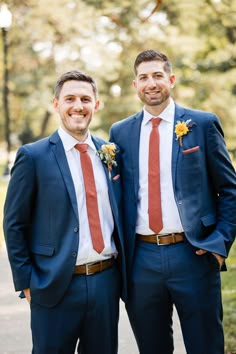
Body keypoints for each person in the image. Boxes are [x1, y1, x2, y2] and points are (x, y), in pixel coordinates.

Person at [109, 49, 236, 354]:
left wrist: (218, 244)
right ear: (135, 85)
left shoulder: (202, 124)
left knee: (205, 345)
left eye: (157, 75)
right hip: (141, 259)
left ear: (171, 79)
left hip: (192, 254)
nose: (151, 83)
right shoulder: (120, 133)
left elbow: (230, 190)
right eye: (143, 77)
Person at [3, 70, 127, 354]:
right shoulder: (33, 156)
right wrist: (28, 283)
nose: (78, 106)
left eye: (85, 99)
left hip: (105, 282)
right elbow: (14, 224)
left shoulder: (110, 154)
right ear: (56, 104)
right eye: (69, 98)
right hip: (54, 285)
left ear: (96, 105)